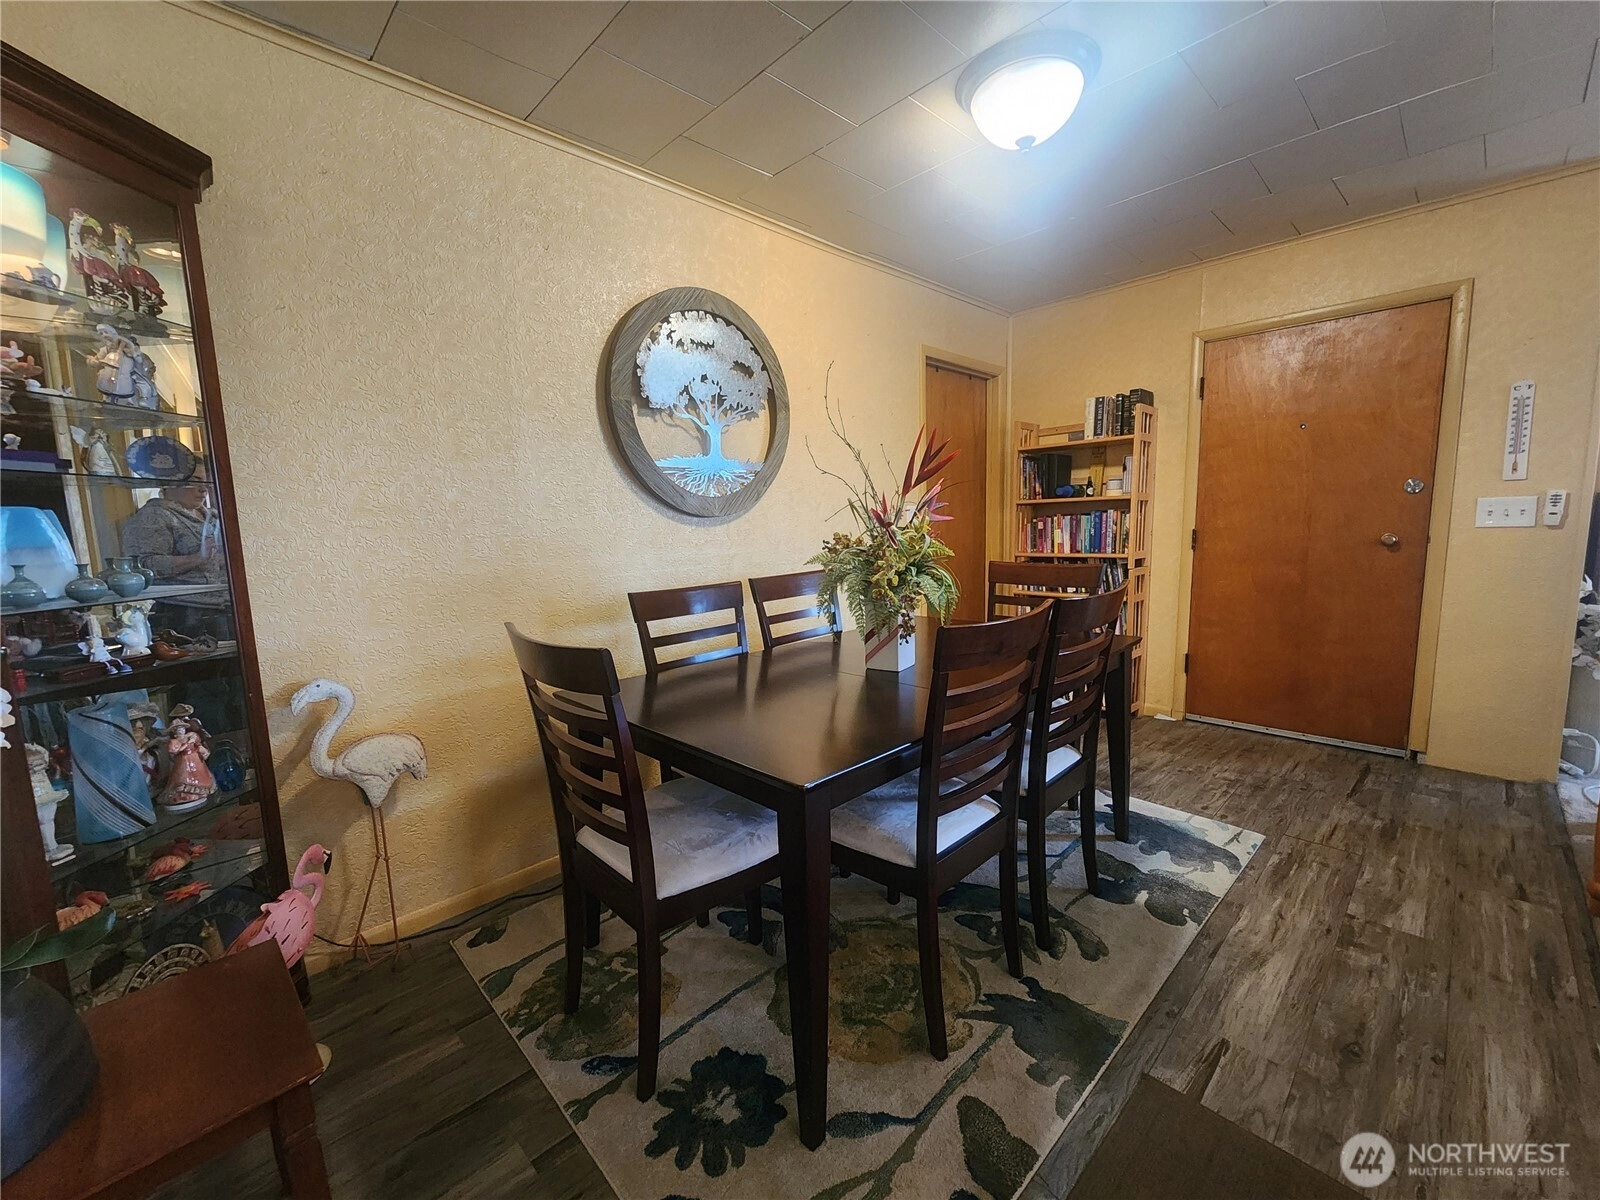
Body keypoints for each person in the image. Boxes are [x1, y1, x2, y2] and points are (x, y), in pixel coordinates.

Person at [120, 460, 226, 586]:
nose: (203, 489)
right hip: (185, 597)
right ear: (170, 483)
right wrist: (197, 558)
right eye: (194, 482)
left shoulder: (214, 515)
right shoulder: (152, 516)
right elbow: (142, 565)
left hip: (227, 593)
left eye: (205, 482)